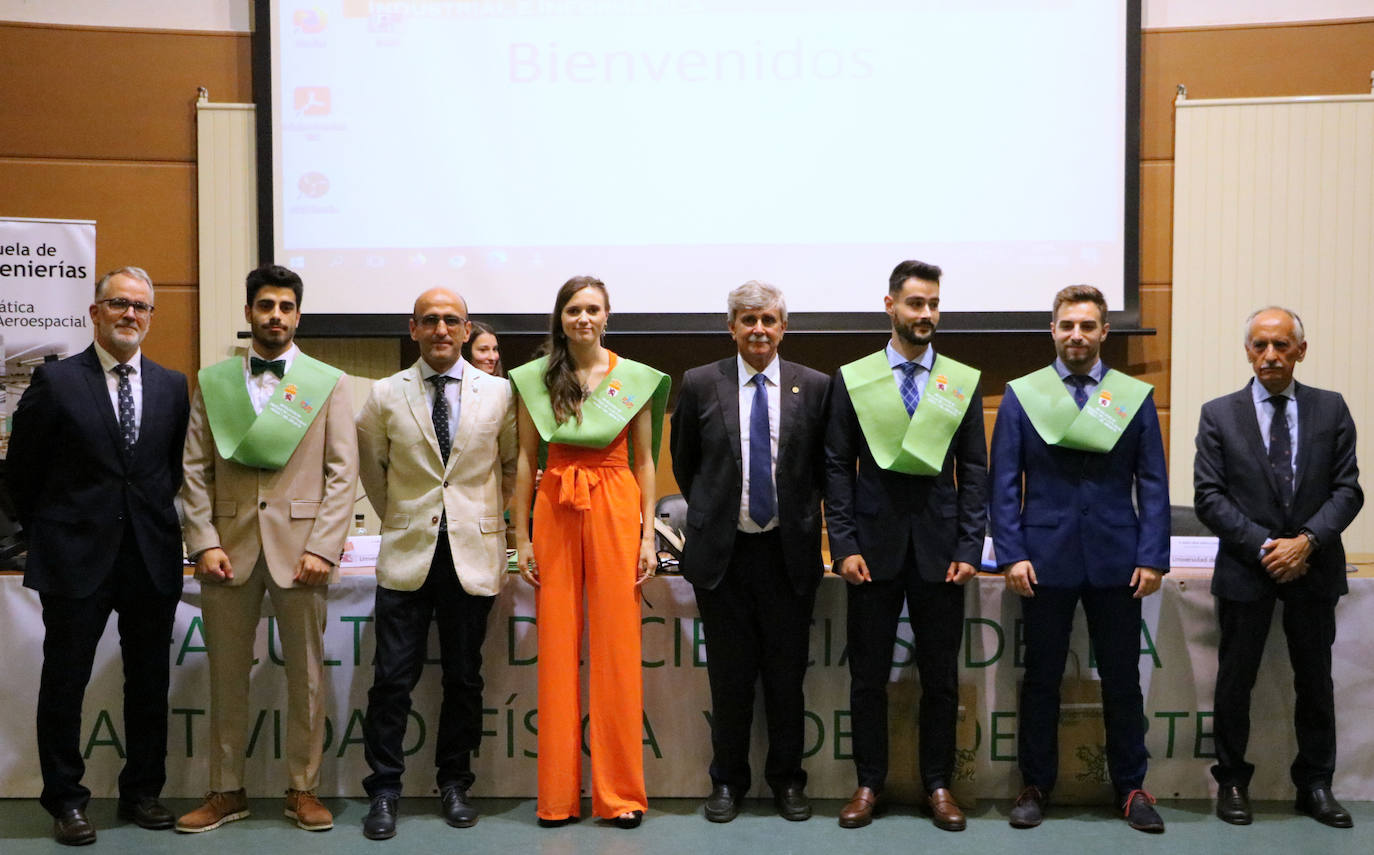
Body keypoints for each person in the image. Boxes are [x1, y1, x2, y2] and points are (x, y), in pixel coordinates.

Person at [8, 267, 190, 846]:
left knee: (148, 683)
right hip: (74, 557)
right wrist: (46, 533)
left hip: (150, 557)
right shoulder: (57, 381)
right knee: (65, 682)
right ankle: (65, 799)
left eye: (141, 306)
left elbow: (172, 471)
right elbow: (22, 474)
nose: (130, 315)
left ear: (151, 317)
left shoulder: (171, 385)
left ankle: (142, 792)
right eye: (118, 304)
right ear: (95, 312)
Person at [176, 264, 358, 833]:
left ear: (298, 316)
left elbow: (342, 472)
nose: (274, 315)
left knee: (306, 679)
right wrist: (202, 541)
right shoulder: (214, 381)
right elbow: (194, 470)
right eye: (265, 306)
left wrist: (324, 548)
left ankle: (302, 790)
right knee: (225, 675)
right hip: (226, 553)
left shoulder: (328, 382)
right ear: (248, 312)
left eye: (285, 307)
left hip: (303, 553)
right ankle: (226, 789)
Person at [988, 284, 1168, 833]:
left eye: (1087, 326)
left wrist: (1153, 556)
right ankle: (1036, 784)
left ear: (1104, 332)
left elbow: (1155, 484)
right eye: (1067, 325)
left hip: (1118, 560)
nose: (1077, 335)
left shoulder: (1132, 396)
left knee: (1121, 680)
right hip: (1042, 561)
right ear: (1053, 330)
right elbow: (1002, 483)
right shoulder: (1023, 395)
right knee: (1041, 677)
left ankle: (1132, 788)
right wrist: (1011, 553)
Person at [824, 260, 986, 832]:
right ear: (890, 305)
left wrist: (971, 544)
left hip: (942, 553)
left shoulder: (960, 381)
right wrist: (841, 544)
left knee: (939, 677)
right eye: (916, 303)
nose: (926, 315)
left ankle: (938, 785)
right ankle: (868, 783)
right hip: (871, 549)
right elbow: (838, 467)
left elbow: (975, 470)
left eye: (934, 304)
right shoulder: (855, 379)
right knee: (868, 677)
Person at [354, 288, 517, 839]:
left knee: (464, 678)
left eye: (452, 320)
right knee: (391, 680)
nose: (441, 329)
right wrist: (404, 518)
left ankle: (455, 782)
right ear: (413, 329)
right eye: (431, 321)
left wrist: (486, 518)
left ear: (467, 329)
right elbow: (375, 473)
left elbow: (513, 467)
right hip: (407, 555)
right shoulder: (382, 394)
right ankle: (383, 790)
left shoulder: (499, 393)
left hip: (473, 555)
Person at [509, 275, 669, 829]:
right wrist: (521, 537)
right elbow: (526, 462)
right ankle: (555, 798)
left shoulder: (635, 380)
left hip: (616, 504)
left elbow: (645, 461)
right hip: (554, 503)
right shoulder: (534, 379)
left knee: (617, 650)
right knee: (556, 650)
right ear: (560, 317)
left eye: (593, 309)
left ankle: (620, 795)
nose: (583, 318)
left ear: (607, 316)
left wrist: (648, 535)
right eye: (574, 309)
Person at [1193, 306, 1362, 828]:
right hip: (1248, 568)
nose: (1270, 355)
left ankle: (1315, 784)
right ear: (1248, 351)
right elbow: (1209, 496)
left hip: (1313, 569)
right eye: (1260, 346)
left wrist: (1306, 542)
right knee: (1234, 682)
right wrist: (1270, 546)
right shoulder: (1219, 413)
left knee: (1314, 681)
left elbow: (1347, 489)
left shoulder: (1331, 409)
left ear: (1300, 351)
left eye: (1281, 345)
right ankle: (1233, 783)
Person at [670, 281, 830, 823]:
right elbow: (685, 464)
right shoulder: (698, 384)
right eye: (747, 320)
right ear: (731, 327)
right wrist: (718, 514)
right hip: (724, 557)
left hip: (788, 555)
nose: (758, 329)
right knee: (730, 680)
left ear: (783, 327)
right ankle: (727, 782)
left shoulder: (815, 386)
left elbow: (823, 471)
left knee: (786, 680)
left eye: (768, 319)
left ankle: (787, 780)